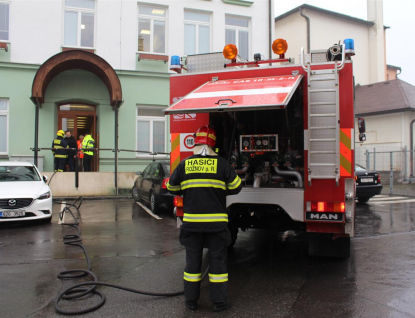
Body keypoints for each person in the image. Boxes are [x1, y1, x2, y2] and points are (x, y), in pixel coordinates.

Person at [167, 125, 242, 312]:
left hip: (191, 225)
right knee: (218, 265)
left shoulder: (185, 164)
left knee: (192, 264)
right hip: (216, 226)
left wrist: (187, 188)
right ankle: (219, 302)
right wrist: (220, 188)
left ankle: (191, 302)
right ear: (213, 144)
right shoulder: (223, 164)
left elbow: (171, 187)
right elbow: (237, 187)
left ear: (196, 141)